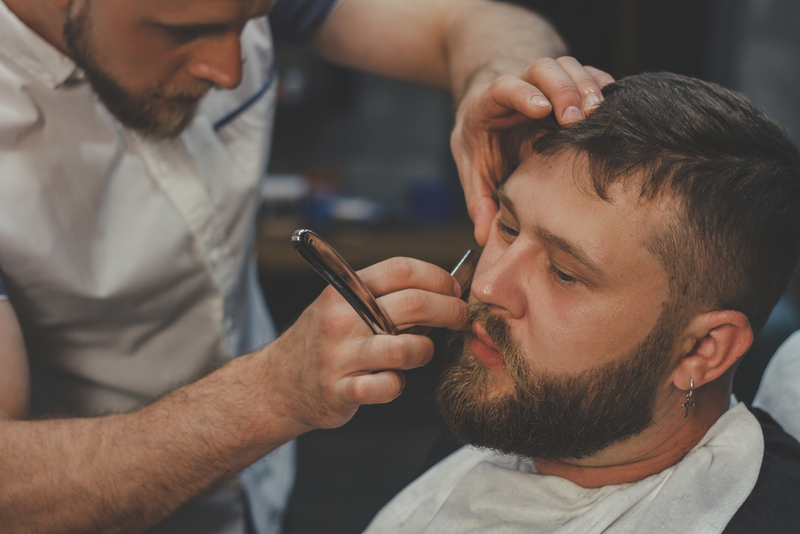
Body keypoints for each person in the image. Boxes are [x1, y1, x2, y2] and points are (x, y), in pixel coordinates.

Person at [0, 0, 616, 532]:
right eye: (175, 30)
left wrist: (498, 82)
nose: (229, 69)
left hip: (261, 493)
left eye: (251, 19)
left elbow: (479, 19)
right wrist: (270, 393)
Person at [363, 72, 800, 534]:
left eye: (565, 273)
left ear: (703, 349)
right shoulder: (520, 419)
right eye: (508, 227)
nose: (489, 287)